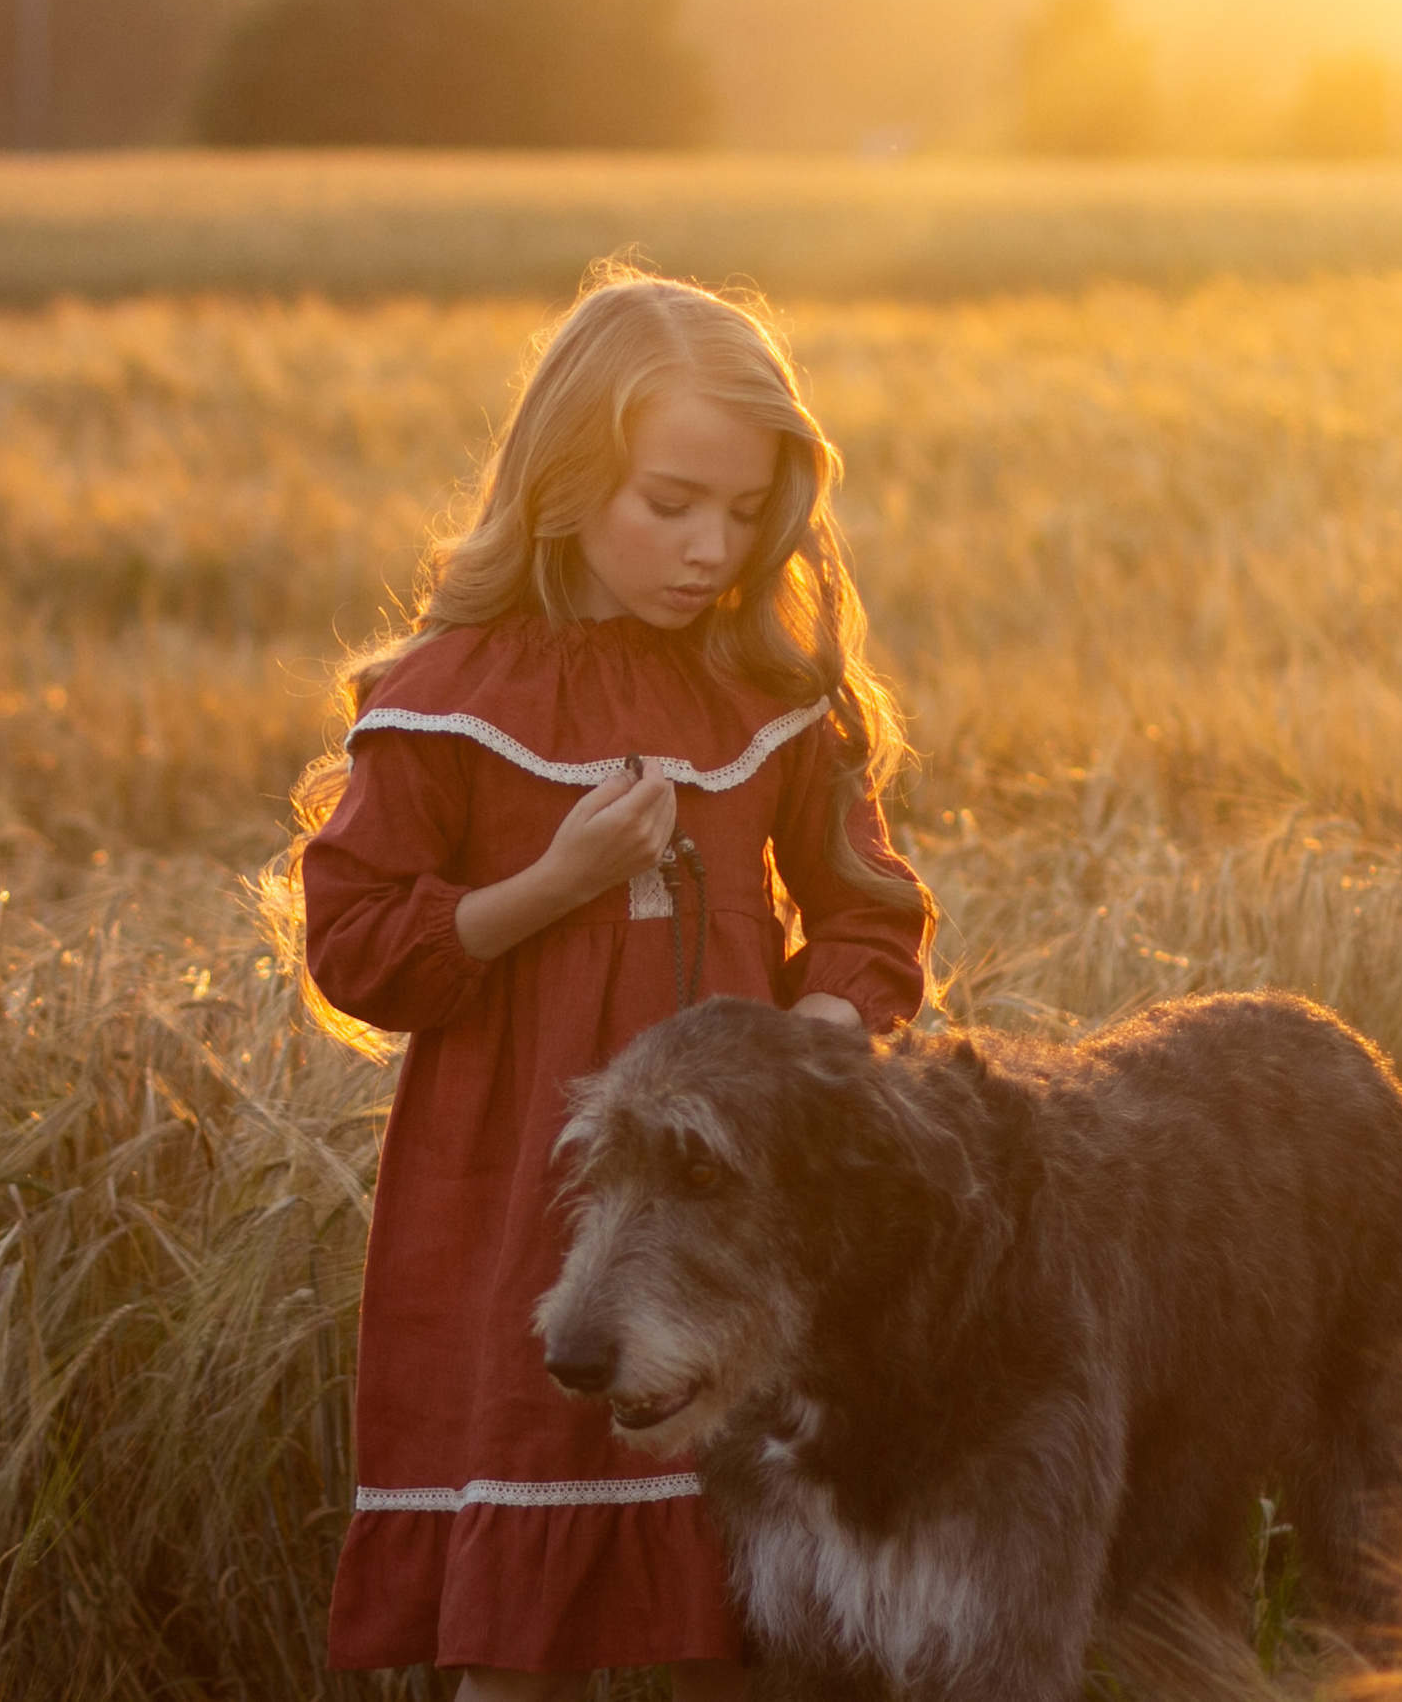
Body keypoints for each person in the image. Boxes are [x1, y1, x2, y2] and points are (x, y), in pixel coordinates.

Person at [290, 270, 932, 1700]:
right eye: (672, 503)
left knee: (738, 1624)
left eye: (748, 511)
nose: (715, 547)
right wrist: (554, 885)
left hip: (737, 1224)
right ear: (567, 481)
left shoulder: (767, 693)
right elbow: (353, 948)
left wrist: (814, 1046)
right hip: (518, 1201)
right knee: (518, 1642)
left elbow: (869, 915)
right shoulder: (446, 695)